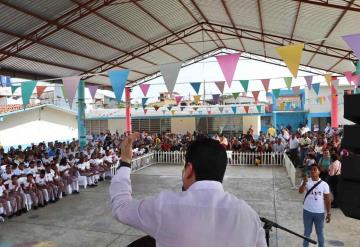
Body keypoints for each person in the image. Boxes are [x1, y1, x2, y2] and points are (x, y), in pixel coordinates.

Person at [110, 133, 267, 247]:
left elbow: (121, 207)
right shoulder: (249, 216)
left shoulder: (165, 206)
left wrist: (125, 161)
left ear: (189, 169)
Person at [299, 164, 331, 247]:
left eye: (314, 169)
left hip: (319, 213)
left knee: (320, 233)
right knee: (307, 233)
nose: (312, 171)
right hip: (307, 211)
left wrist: (329, 213)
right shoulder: (306, 181)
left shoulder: (324, 184)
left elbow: (327, 199)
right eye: (311, 169)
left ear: (319, 172)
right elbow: (300, 191)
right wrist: (304, 184)